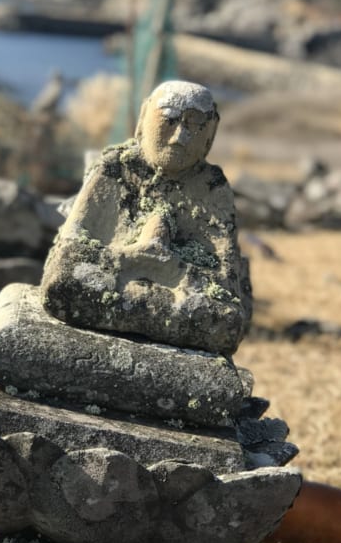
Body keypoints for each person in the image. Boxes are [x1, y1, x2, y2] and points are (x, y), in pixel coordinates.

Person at [40, 80, 252, 356]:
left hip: (170, 297)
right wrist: (130, 256)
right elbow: (65, 269)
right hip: (127, 287)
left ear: (211, 135)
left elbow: (224, 296)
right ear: (143, 118)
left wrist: (171, 264)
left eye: (195, 125)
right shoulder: (115, 167)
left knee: (220, 322)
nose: (180, 137)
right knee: (67, 289)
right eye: (169, 120)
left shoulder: (213, 187)